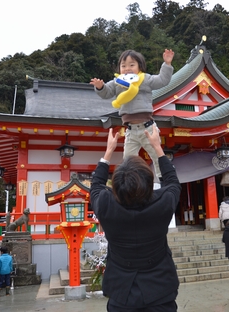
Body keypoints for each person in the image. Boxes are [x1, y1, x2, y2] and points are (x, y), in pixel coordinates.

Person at [89, 127, 182, 311]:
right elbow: (172, 182)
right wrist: (157, 147)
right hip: (160, 291)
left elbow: (96, 185)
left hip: (121, 295)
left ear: (115, 185)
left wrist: (109, 151)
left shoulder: (107, 206)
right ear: (149, 184)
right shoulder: (163, 204)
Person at [90, 49, 175, 180]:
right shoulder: (117, 82)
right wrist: (100, 87)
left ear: (139, 66)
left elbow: (162, 80)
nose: (127, 68)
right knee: (127, 161)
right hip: (130, 131)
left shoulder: (145, 79)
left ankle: (164, 180)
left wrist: (167, 64)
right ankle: (129, 184)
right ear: (119, 68)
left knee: (157, 156)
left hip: (147, 128)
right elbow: (106, 93)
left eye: (131, 65)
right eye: (123, 66)